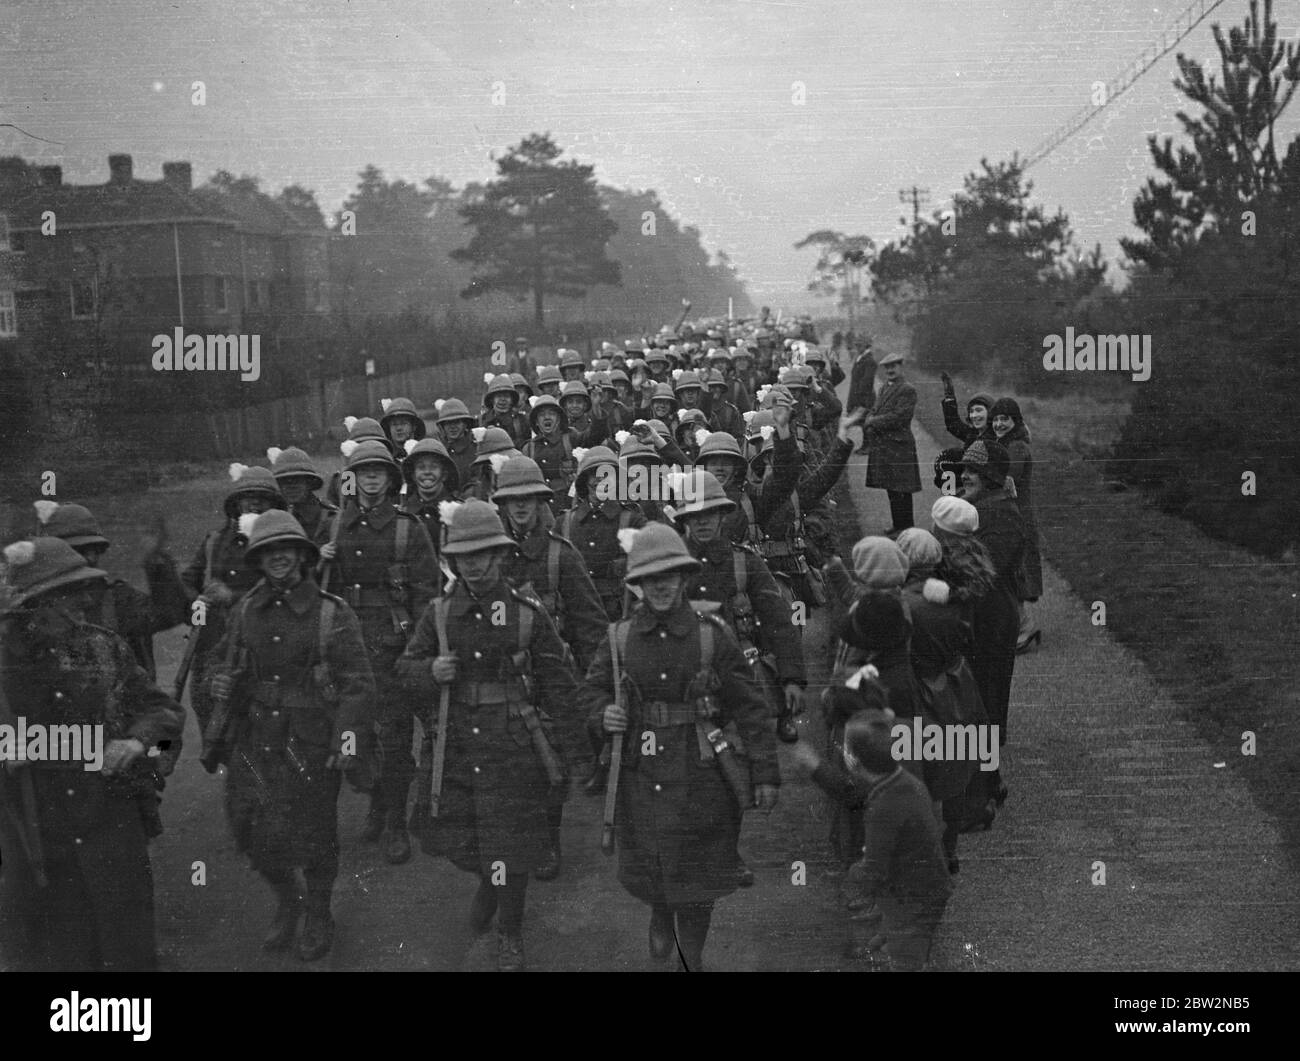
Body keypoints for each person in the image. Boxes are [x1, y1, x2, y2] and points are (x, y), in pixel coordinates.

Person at [580, 523, 780, 970]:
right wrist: (602, 714)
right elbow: (591, 691)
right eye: (651, 579)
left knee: (702, 873)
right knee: (654, 864)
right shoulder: (619, 638)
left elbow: (751, 707)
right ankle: (660, 911)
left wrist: (765, 774)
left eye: (669, 576)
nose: (661, 586)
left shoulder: (713, 634)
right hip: (641, 773)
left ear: (684, 577)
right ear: (638, 585)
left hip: (703, 772)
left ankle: (693, 952)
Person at [395, 500, 580, 971]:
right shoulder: (437, 614)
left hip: (512, 743)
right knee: (453, 837)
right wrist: (429, 671)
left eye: (483, 554)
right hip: (455, 745)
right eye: (464, 556)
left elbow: (559, 681)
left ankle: (511, 931)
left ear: (500, 555)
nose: (474, 564)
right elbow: (403, 669)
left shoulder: (526, 613)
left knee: (512, 844)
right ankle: (487, 881)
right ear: (453, 560)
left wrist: (576, 749)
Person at [0, 538, 184, 971]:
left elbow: (166, 716)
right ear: (32, 605)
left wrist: (139, 743)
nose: (81, 605)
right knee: (56, 952)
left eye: (82, 592)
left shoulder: (103, 648)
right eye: (65, 596)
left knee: (128, 947)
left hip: (111, 821)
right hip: (35, 836)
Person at [202, 511, 375, 962]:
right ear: (258, 559)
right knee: (250, 827)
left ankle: (318, 912)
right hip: (256, 737)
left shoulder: (331, 613)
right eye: (268, 551)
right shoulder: (243, 612)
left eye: (286, 549)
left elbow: (358, 683)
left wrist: (347, 742)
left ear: (302, 555)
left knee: (315, 834)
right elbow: (218, 662)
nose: (279, 558)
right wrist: (218, 679)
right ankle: (288, 898)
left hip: (311, 740)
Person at [318, 440, 439, 864]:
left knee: (393, 734)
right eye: (363, 471)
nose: (371, 478)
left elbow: (427, 594)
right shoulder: (333, 528)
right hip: (346, 646)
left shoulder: (409, 528)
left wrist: (417, 649)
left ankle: (395, 822)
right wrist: (318, 559)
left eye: (379, 472)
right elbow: (314, 593)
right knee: (355, 735)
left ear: (390, 480)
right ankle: (376, 801)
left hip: (392, 644)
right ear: (351, 479)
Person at [493, 455, 605, 879]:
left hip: (551, 675)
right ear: (501, 505)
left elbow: (591, 627)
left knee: (549, 760)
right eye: (511, 500)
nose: (520, 507)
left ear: (541, 500)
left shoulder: (562, 557)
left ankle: (548, 839)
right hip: (501, 673)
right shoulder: (490, 554)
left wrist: (594, 687)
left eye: (528, 498)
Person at [793, 707, 952, 970]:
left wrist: (850, 879)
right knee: (906, 947)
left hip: (912, 898)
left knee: (907, 961)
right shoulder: (906, 782)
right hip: (924, 888)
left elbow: (874, 868)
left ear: (853, 761)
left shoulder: (884, 806)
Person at [182, 465, 287, 740]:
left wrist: (233, 598)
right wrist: (198, 603)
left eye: (262, 497)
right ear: (235, 503)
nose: (254, 502)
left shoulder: (283, 543)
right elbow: (186, 584)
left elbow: (290, 591)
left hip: (263, 646)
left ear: (274, 505)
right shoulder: (214, 541)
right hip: (212, 645)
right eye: (247, 496)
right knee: (210, 713)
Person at [956, 441, 1024, 822]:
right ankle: (989, 779)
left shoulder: (1002, 515)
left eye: (972, 470)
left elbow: (984, 571)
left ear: (991, 476)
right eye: (964, 468)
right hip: (982, 616)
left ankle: (980, 794)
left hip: (993, 620)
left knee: (986, 701)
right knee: (980, 699)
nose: (964, 475)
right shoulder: (984, 508)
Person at [988, 397, 1042, 651]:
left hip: (1016, 518)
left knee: (1012, 573)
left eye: (1004, 419)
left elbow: (1007, 480)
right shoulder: (1004, 443)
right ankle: (1017, 626)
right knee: (1009, 572)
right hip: (1009, 515)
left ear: (1015, 421)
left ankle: (1025, 628)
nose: (999, 424)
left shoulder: (1017, 447)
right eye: (996, 419)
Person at [861, 351, 921, 532]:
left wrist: (873, 421)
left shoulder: (907, 389)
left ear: (901, 367)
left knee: (902, 489)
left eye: (893, 366)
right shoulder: (884, 388)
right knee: (892, 488)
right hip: (887, 446)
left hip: (900, 445)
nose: (890, 370)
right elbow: (875, 408)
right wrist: (870, 416)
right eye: (887, 367)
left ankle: (907, 527)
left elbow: (899, 417)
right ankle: (898, 526)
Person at [521, 395, 579, 513]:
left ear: (558, 419)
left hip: (567, 504)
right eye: (542, 415)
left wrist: (597, 408)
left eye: (551, 414)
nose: (547, 417)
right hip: (540, 507)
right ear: (536, 422)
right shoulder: (528, 448)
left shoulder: (570, 438)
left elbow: (594, 435)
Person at [269, 446, 338, 544]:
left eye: (297, 480)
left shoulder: (330, 519)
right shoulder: (279, 519)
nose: (291, 487)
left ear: (309, 482)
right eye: (284, 481)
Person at [434, 399, 479, 489]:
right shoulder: (438, 451)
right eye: (448, 423)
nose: (452, 427)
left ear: (465, 424)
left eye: (457, 422)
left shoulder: (477, 449)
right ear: (442, 427)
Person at [939, 375, 993, 447]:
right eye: (971, 411)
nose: (974, 415)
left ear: (990, 412)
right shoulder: (973, 434)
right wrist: (949, 397)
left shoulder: (996, 437)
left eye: (979, 410)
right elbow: (953, 425)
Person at [480, 374, 531, 448]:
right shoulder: (482, 421)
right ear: (492, 399)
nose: (503, 400)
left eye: (506, 396)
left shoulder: (523, 421)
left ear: (512, 400)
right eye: (499, 396)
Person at [845, 339, 877, 454]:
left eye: (860, 345)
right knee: (862, 422)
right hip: (858, 395)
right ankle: (865, 446)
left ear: (866, 345)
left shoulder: (869, 360)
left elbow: (867, 381)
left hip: (865, 396)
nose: (858, 348)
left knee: (866, 422)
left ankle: (868, 446)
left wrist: (859, 397)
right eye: (856, 345)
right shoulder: (860, 358)